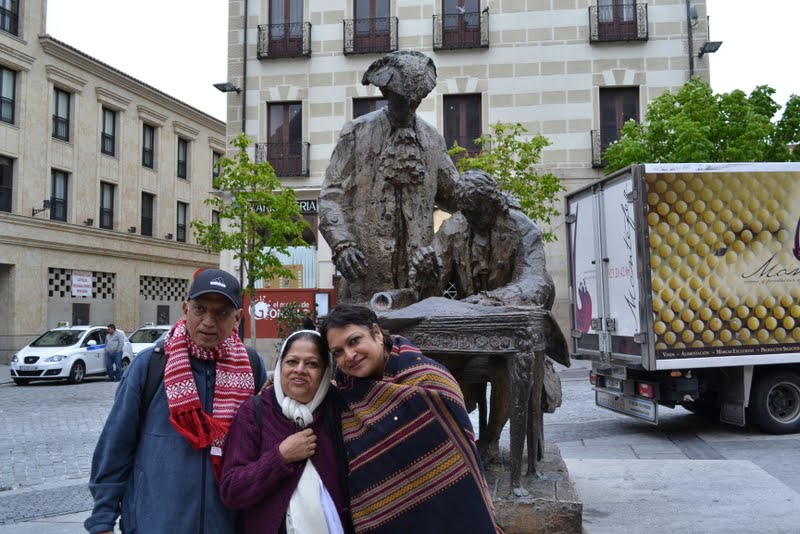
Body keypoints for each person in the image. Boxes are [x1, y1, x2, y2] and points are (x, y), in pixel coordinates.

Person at [84, 268, 267, 534]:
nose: (208, 321)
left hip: (228, 525)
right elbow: (116, 444)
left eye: (221, 313)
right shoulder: (150, 365)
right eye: (200, 309)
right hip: (155, 524)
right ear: (185, 309)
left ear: (237, 318)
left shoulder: (251, 367)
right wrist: (103, 520)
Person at [319, 304, 503, 533]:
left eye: (354, 341)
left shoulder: (429, 381)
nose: (349, 355)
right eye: (338, 352)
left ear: (376, 333)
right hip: (384, 518)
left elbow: (458, 461)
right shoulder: (343, 396)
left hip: (450, 514)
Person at [319, 50, 462, 304]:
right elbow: (332, 196)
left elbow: (456, 196)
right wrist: (343, 244)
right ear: (386, 93)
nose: (410, 106)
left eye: (416, 100)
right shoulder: (357, 132)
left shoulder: (432, 140)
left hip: (417, 280)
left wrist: (441, 248)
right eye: (403, 99)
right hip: (367, 274)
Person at [219, 330, 353, 534]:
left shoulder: (339, 410)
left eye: (312, 364)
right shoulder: (254, 413)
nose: (300, 370)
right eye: (291, 362)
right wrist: (280, 457)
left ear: (326, 372)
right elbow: (232, 491)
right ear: (280, 365)